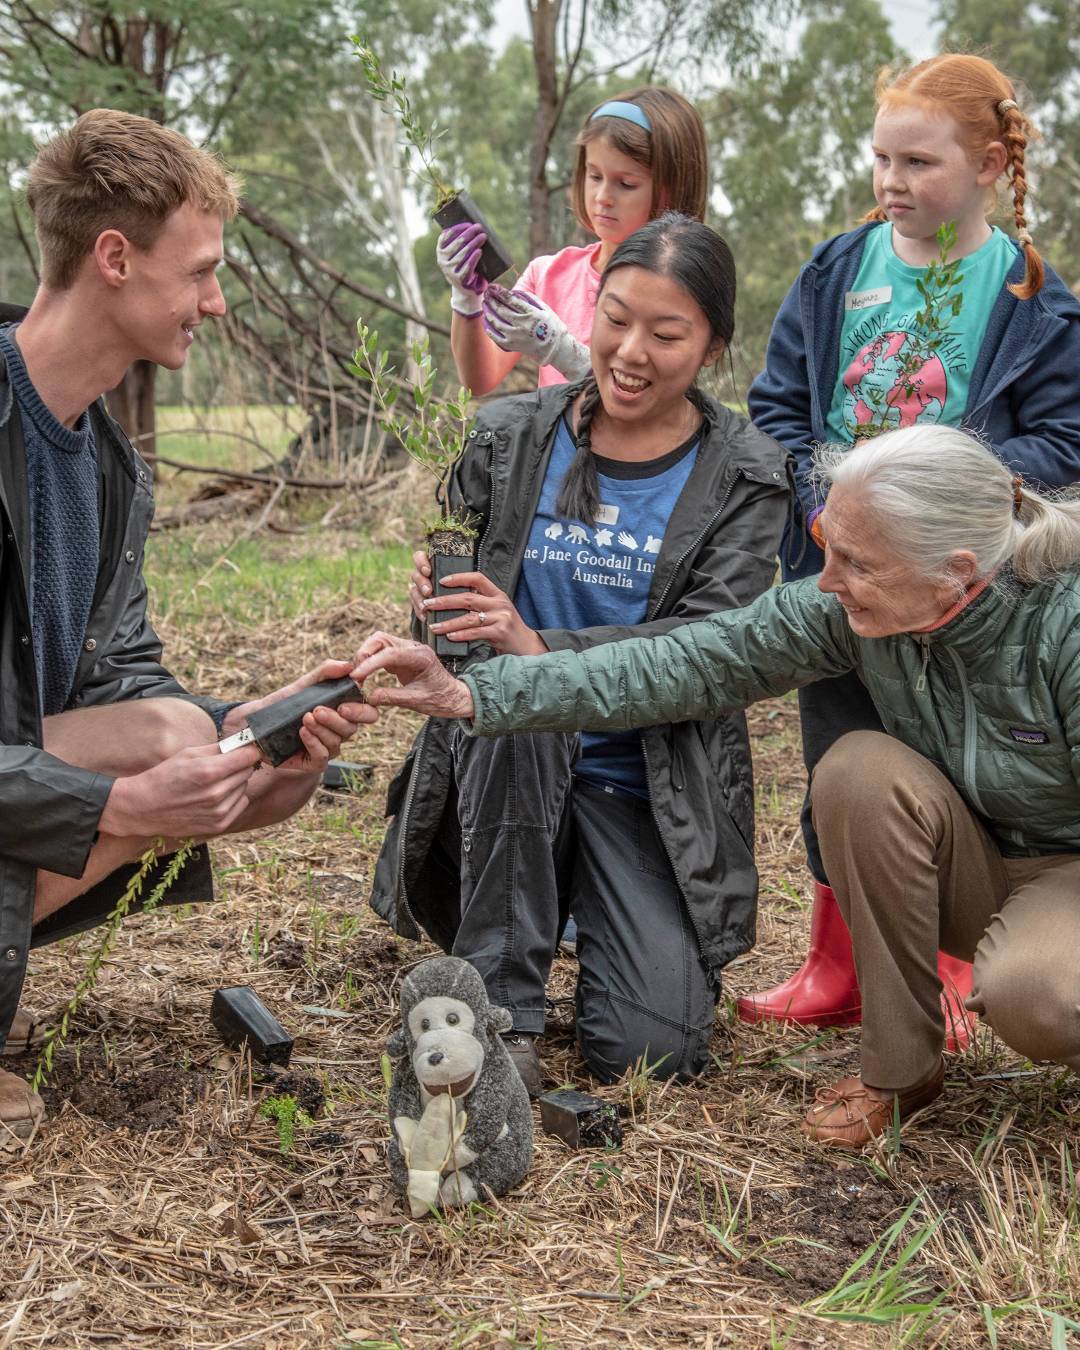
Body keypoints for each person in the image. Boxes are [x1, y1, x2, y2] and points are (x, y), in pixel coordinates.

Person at [354, 424, 1080, 1147]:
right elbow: (692, 662)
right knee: (859, 771)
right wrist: (474, 694)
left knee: (1037, 995)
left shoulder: (1065, 626)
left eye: (856, 562)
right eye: (827, 543)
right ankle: (901, 1073)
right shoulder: (860, 612)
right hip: (982, 860)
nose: (827, 581)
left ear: (952, 571)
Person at [0, 109, 373, 1152]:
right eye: (201, 269)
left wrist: (248, 724)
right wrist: (121, 798)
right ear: (113, 257)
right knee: (164, 762)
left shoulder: (107, 465)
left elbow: (121, 681)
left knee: (214, 757)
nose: (215, 300)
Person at [368, 213, 790, 1096]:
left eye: (667, 333)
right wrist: (434, 610)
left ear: (713, 346)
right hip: (504, 779)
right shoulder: (506, 434)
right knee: (518, 701)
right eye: (616, 318)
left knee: (652, 1054)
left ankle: (595, 917)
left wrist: (540, 643)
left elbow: (714, 653)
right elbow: (459, 650)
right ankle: (502, 1010)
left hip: (647, 785)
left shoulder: (746, 474)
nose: (631, 351)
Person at [743, 53, 1080, 1034]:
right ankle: (834, 967)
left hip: (961, 591)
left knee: (946, 769)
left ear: (986, 164)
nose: (892, 183)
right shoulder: (837, 270)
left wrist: (930, 494)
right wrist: (828, 506)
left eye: (919, 163)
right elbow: (776, 410)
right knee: (840, 756)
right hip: (838, 567)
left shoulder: (1032, 300)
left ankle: (951, 966)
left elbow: (1063, 445)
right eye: (881, 159)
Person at [437, 87, 708, 396]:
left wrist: (564, 353)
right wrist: (466, 299)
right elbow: (479, 380)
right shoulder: (549, 275)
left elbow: (653, 407)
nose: (603, 197)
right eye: (594, 176)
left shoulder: (680, 289)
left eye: (626, 183)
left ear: (672, 189)